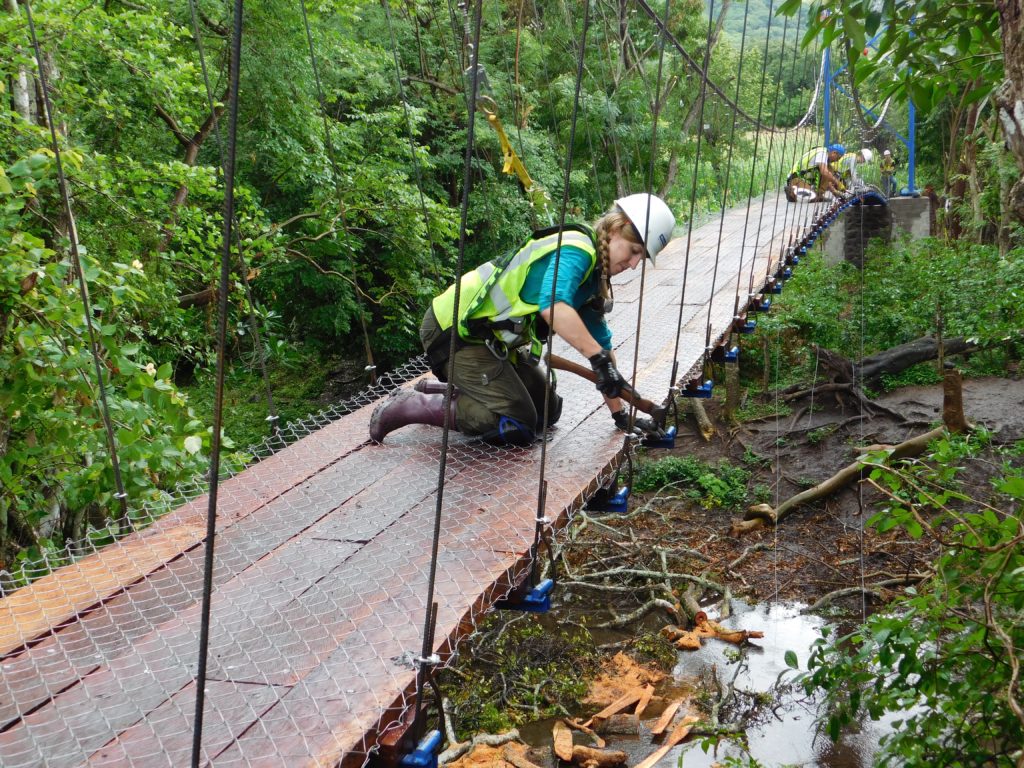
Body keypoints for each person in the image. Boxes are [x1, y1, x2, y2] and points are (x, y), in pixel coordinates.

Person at [369, 194, 676, 446]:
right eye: (634, 251)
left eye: (642, 258)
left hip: (491, 341)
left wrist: (622, 416)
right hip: (455, 331)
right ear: (616, 227)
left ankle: (447, 391)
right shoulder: (577, 250)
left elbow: (603, 350)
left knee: (548, 411)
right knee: (516, 424)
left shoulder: (592, 278)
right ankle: (411, 405)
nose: (635, 264)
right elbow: (552, 306)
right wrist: (596, 359)